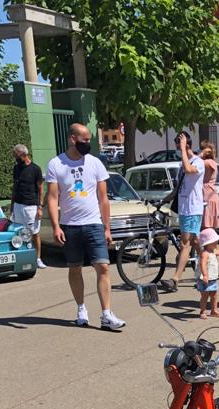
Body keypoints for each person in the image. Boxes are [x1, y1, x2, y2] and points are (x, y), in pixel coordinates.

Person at [45, 123, 125, 331]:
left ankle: (106, 314)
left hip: (94, 224)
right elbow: (52, 198)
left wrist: (106, 228)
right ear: (72, 139)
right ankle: (81, 308)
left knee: (103, 266)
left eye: (89, 140)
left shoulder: (95, 163)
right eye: (85, 140)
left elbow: (103, 198)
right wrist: (56, 226)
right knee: (75, 268)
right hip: (70, 226)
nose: (88, 144)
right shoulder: (56, 164)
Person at [162, 131, 205, 291]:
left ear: (187, 145)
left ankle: (175, 279)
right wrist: (165, 200)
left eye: (179, 146)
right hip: (183, 208)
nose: (178, 150)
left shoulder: (198, 162)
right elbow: (178, 187)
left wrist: (183, 147)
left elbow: (189, 169)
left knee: (185, 243)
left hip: (193, 208)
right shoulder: (182, 164)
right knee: (194, 242)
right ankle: (208, 264)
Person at [9, 144, 46, 269]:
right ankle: (23, 256)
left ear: (24, 155)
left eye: (16, 155)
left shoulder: (36, 169)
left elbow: (41, 189)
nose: (15, 157)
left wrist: (40, 207)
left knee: (34, 233)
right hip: (18, 205)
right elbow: (15, 187)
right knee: (19, 232)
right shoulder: (16, 168)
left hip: (31, 206)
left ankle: (38, 258)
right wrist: (12, 206)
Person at [196, 227, 219, 318]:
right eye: (214, 241)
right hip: (205, 278)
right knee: (205, 295)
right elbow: (202, 264)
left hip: (213, 278)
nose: (216, 242)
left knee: (214, 295)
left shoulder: (212, 251)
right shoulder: (205, 253)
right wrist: (205, 275)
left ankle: (214, 310)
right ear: (208, 243)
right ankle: (202, 311)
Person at [200, 141, 219, 230]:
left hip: (208, 197)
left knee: (207, 229)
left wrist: (200, 154)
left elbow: (193, 163)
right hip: (208, 196)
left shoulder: (208, 162)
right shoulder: (210, 162)